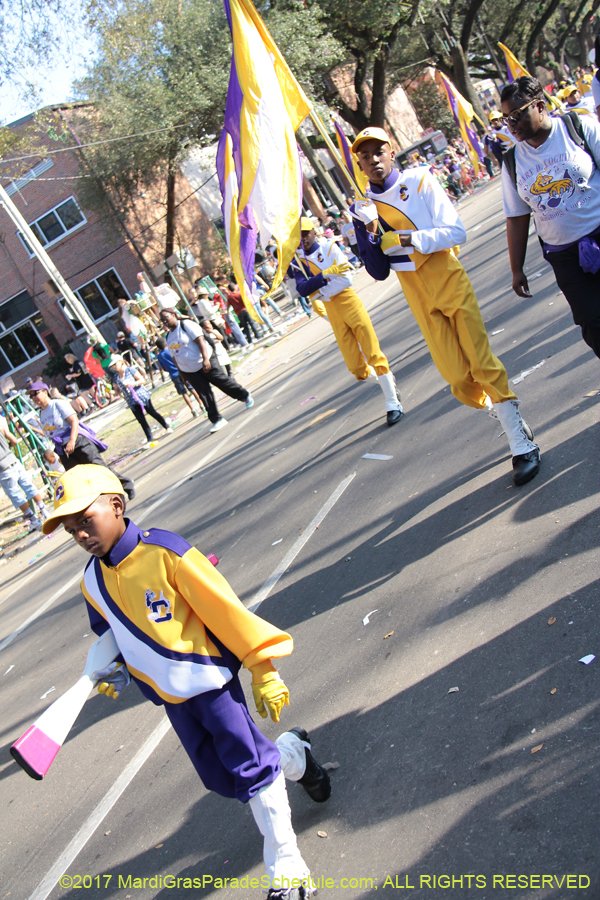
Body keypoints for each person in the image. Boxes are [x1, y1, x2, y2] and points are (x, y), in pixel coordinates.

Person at [42, 464, 331, 900]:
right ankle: (293, 755)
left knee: (250, 770)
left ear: (116, 505)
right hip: (169, 696)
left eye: (86, 520)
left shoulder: (167, 553)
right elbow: (109, 634)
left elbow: (226, 611)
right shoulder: (91, 581)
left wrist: (263, 667)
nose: (81, 535)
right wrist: (113, 669)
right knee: (221, 778)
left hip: (210, 682)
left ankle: (288, 870)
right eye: (71, 530)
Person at [350, 125, 540, 486]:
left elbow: (455, 232)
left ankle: (521, 443)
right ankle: (504, 414)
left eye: (378, 151)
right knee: (457, 378)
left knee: (481, 362)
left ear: (391, 152)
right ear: (359, 164)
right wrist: (369, 230)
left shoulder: (420, 180)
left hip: (446, 275)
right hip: (415, 291)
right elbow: (377, 271)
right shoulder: (363, 208)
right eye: (365, 155)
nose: (373, 160)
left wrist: (407, 238)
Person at [501, 75, 600, 363]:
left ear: (540, 106)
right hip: (564, 256)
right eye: (506, 119)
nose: (511, 125)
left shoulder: (578, 128)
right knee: (591, 322)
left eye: (517, 115)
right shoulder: (512, 161)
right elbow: (517, 217)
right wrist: (516, 269)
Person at [290, 217, 403, 427]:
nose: (302, 238)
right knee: (357, 369)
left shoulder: (330, 247)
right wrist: (325, 276)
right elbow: (302, 289)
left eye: (305, 233)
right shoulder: (298, 262)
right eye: (298, 235)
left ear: (314, 231)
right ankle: (387, 382)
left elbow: (346, 279)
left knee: (373, 353)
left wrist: (319, 289)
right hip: (333, 311)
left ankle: (392, 402)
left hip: (349, 302)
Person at [28, 381, 135, 498]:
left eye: (36, 393)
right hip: (63, 449)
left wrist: (72, 441)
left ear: (45, 392)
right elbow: (49, 433)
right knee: (78, 478)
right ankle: (99, 499)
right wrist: (33, 429)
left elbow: (74, 421)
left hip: (78, 441)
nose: (34, 397)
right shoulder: (41, 414)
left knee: (99, 468)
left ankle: (126, 484)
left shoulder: (57, 404)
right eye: (31, 396)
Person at [159, 308, 254, 434]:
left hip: (205, 361)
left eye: (166, 317)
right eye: (162, 320)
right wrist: (182, 374)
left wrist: (205, 359)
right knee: (204, 394)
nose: (164, 321)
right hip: (189, 370)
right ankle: (217, 419)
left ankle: (244, 395)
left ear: (174, 315)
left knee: (222, 382)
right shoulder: (169, 337)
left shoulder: (186, 325)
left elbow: (200, 340)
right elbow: (174, 357)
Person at [0, 415, 49, 531]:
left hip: (3, 468)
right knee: (29, 486)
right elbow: (14, 440)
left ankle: (34, 520)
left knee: (16, 495)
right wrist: (8, 449)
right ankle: (44, 511)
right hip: (14, 461)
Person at [110, 356, 173, 443]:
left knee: (152, 412)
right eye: (112, 365)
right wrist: (112, 392)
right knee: (141, 420)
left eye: (115, 364)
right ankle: (150, 438)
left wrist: (133, 384)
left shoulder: (130, 370)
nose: (114, 366)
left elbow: (142, 380)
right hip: (131, 400)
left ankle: (166, 426)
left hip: (141, 396)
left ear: (121, 362)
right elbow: (117, 391)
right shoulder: (116, 377)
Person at [155, 337, 202, 418]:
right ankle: (201, 403)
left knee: (183, 393)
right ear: (166, 343)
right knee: (191, 388)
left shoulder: (159, 356)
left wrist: (170, 369)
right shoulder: (171, 351)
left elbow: (163, 368)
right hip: (182, 371)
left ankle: (192, 409)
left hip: (173, 375)